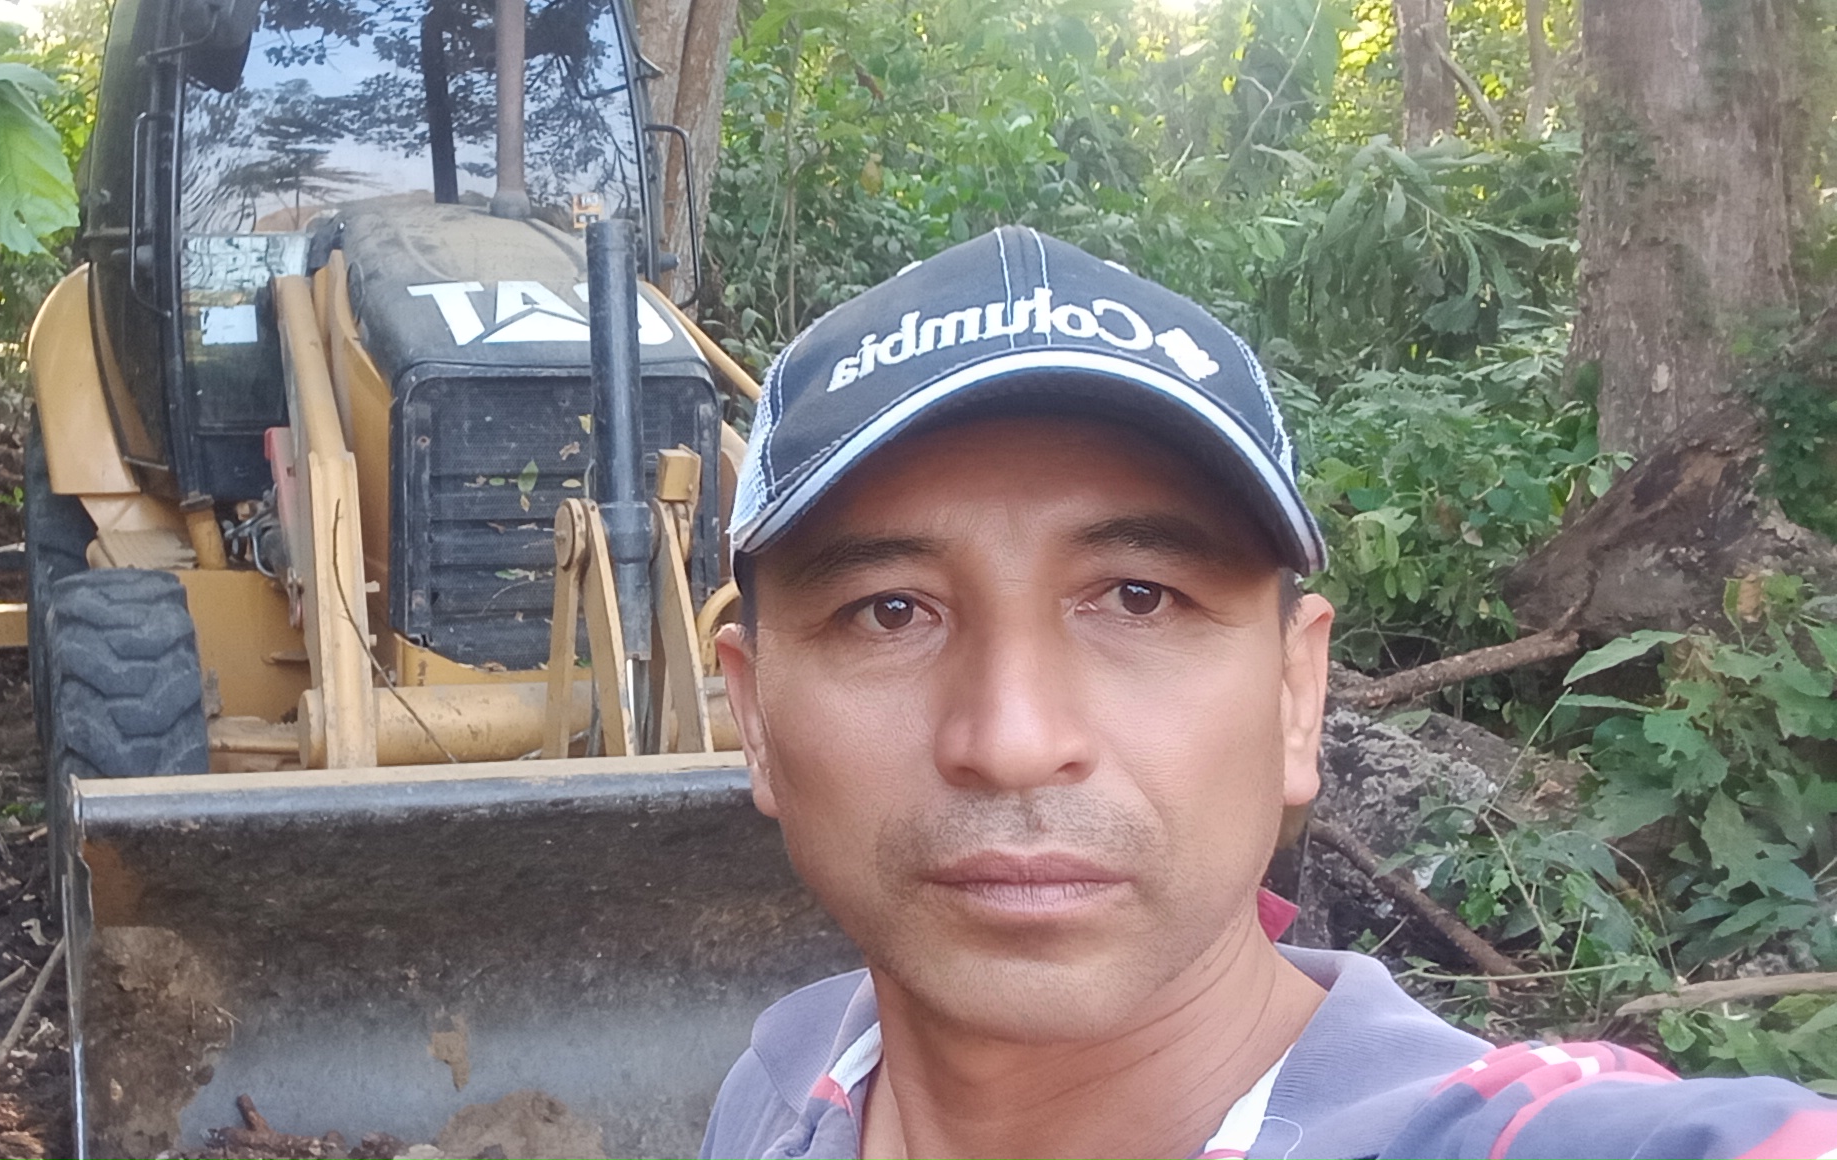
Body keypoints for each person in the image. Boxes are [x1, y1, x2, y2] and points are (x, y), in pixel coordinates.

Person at [702, 226, 1837, 1160]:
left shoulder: (1493, 1134)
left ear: (1299, 695)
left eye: (1139, 597)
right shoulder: (788, 1087)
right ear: (754, 718)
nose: (1013, 739)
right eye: (889, 611)